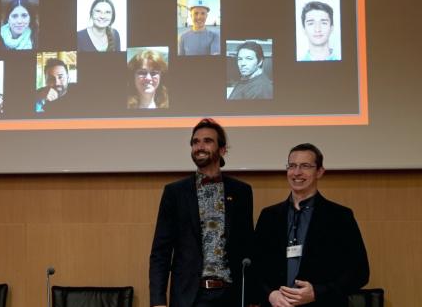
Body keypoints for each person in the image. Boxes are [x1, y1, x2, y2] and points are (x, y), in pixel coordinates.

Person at [149, 118, 254, 307]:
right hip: (190, 297)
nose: (199, 146)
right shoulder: (175, 192)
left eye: (207, 141)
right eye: (195, 142)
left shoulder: (241, 192)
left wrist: (253, 299)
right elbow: (160, 252)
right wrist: (158, 301)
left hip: (231, 295)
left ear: (222, 149)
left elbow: (248, 247)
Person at [254, 143, 369, 307]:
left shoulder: (340, 216)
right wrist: (270, 294)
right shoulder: (269, 216)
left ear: (320, 172)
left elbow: (360, 272)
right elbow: (254, 267)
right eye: (292, 166)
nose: (297, 172)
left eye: (305, 166)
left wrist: (317, 292)